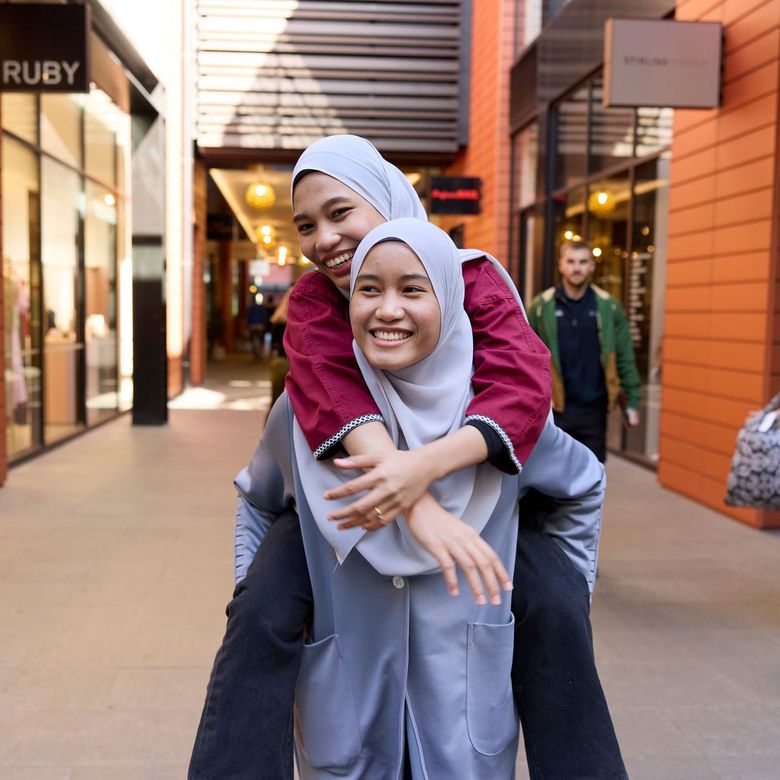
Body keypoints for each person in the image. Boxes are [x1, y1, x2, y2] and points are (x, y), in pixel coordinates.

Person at [189, 136, 626, 780]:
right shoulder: (313, 325)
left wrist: (556, 597)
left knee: (551, 603)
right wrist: (273, 593)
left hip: (458, 709)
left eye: (341, 213)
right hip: (353, 704)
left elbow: (538, 408)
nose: (324, 239)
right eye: (306, 225)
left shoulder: (473, 300)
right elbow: (269, 483)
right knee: (259, 613)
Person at [528, 240, 641, 463]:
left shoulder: (608, 307)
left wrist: (632, 401)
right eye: (571, 261)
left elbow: (624, 357)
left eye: (582, 262)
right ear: (561, 265)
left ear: (592, 266)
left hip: (594, 409)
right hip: (556, 408)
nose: (576, 268)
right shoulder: (541, 307)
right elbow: (527, 357)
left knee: (592, 479)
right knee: (553, 478)